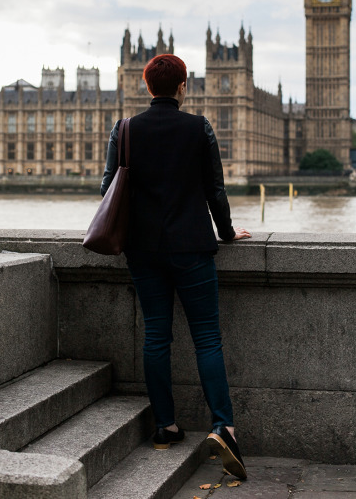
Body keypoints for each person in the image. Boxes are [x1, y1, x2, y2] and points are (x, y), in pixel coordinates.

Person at [101, 53, 251, 480]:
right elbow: (214, 190)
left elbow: (107, 187)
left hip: (142, 248)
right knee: (206, 337)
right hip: (191, 245)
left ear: (146, 87)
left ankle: (164, 427)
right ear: (184, 87)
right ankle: (224, 427)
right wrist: (226, 232)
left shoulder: (124, 128)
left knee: (155, 335)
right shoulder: (199, 126)